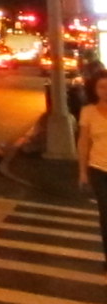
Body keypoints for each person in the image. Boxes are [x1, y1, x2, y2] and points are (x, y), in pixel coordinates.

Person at [78, 69, 107, 281]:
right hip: (99, 170)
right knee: (106, 216)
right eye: (102, 87)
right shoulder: (88, 111)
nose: (106, 91)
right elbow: (83, 143)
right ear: (95, 89)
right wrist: (83, 172)